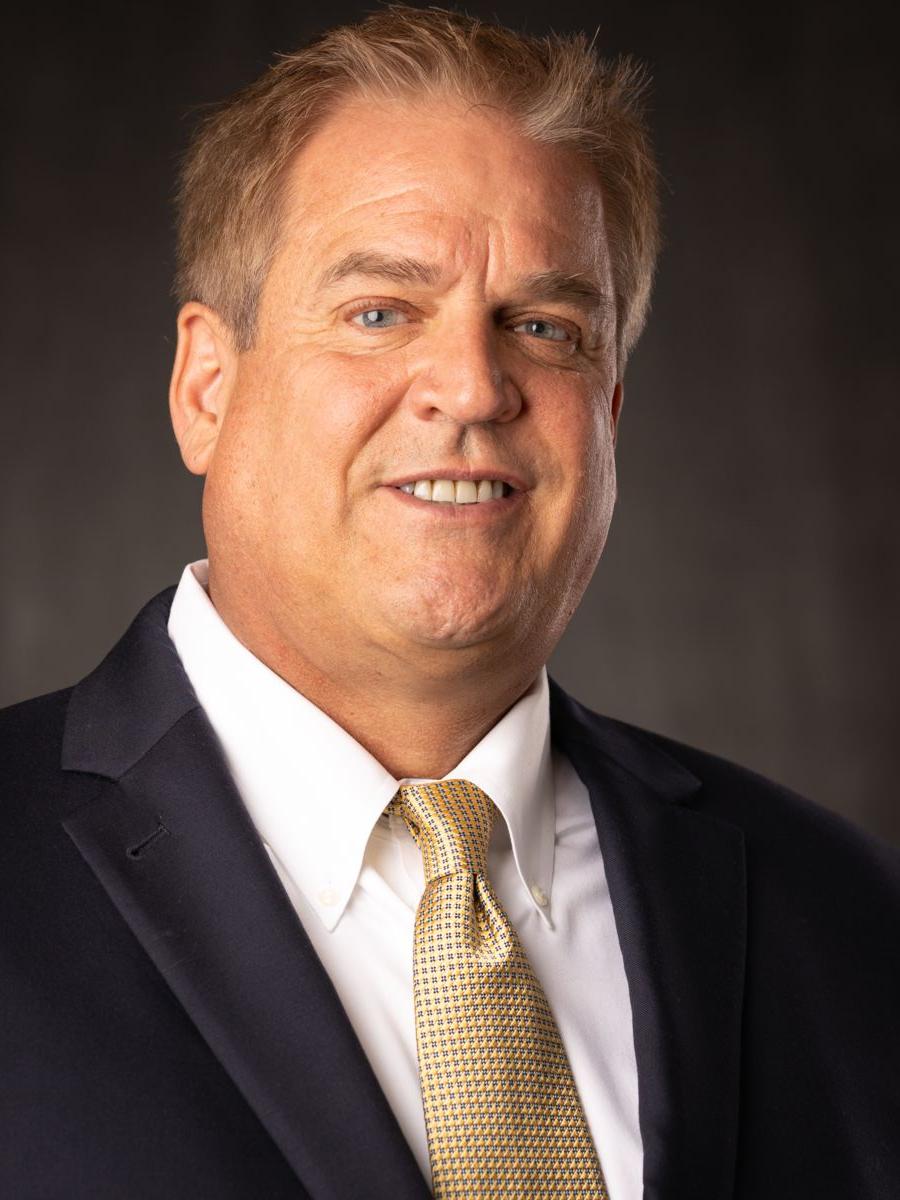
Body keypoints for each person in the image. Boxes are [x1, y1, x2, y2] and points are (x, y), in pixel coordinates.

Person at [1, 7, 897, 1199]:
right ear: (207, 387)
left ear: (610, 418)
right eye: (381, 312)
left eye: (544, 327)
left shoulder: (844, 918)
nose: (473, 386)